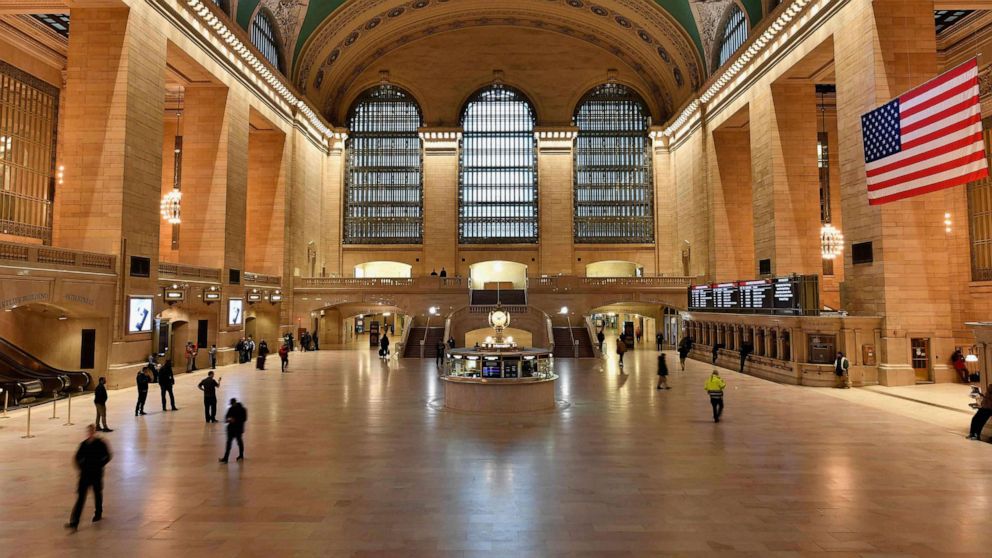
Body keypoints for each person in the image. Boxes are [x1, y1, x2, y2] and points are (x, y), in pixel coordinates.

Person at [65, 424, 112, 530]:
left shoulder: (100, 443)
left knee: (97, 494)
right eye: (88, 431)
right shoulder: (84, 444)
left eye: (91, 431)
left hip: (96, 473)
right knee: (81, 498)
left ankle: (98, 513)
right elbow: (77, 457)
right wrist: (81, 467)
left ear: (94, 431)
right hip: (85, 475)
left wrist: (100, 465)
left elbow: (108, 456)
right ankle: (74, 522)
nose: (90, 433)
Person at [219, 398, 247, 463]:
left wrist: (234, 420)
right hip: (237, 429)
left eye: (232, 404)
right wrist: (229, 420)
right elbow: (226, 419)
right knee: (237, 442)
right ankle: (239, 455)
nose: (231, 405)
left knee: (231, 443)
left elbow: (243, 419)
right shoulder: (241, 409)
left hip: (233, 429)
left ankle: (227, 458)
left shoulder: (239, 409)